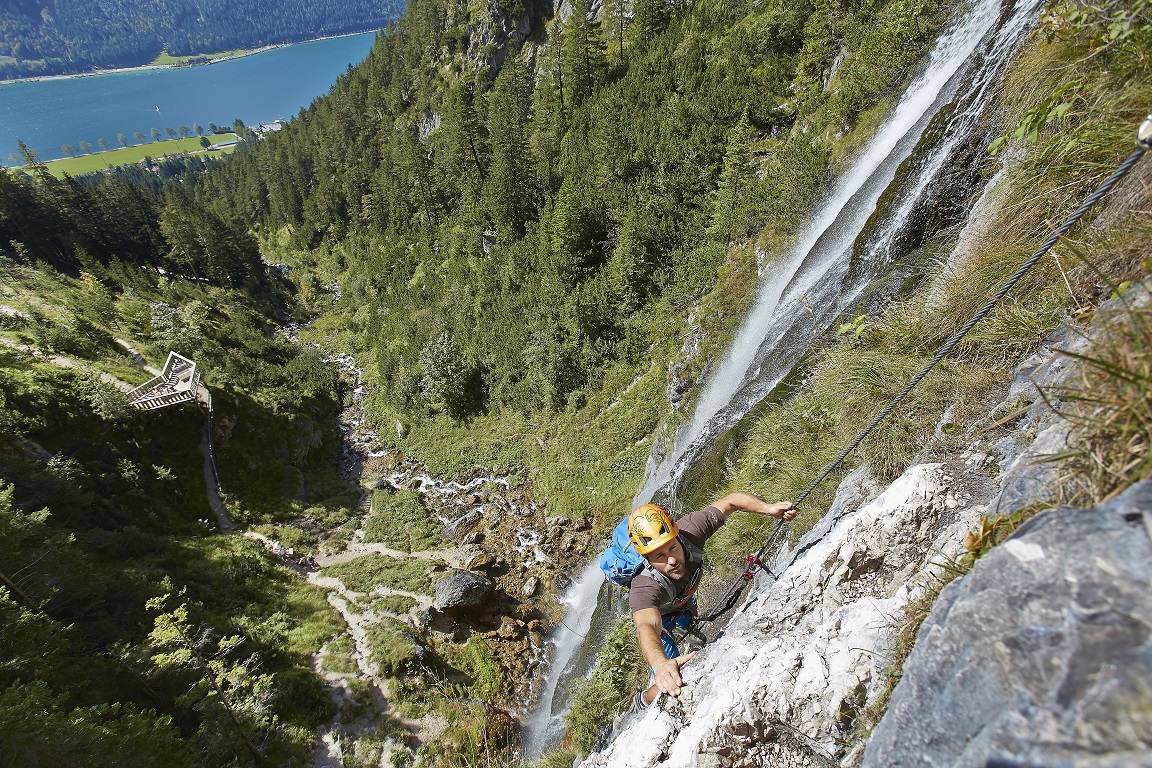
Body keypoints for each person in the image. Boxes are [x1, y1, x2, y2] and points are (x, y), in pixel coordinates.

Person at [628, 492, 795, 706]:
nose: (671, 560)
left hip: (682, 602)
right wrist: (660, 664)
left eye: (672, 547)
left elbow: (730, 502)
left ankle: (686, 625)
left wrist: (769, 508)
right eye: (659, 556)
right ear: (647, 559)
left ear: (678, 536)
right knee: (671, 676)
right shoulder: (644, 587)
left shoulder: (691, 531)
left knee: (688, 618)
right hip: (661, 621)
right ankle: (642, 699)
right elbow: (647, 626)